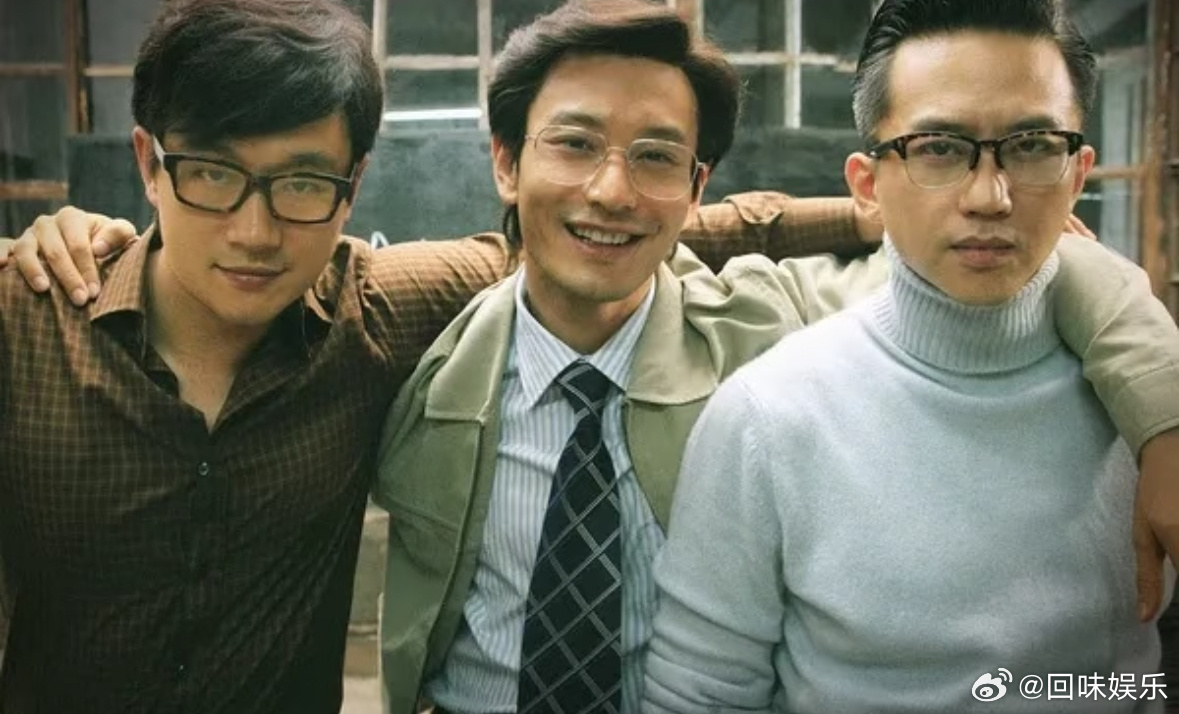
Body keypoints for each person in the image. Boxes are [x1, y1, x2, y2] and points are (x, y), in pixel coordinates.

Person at [0, 0, 869, 712]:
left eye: (303, 184)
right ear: (149, 164)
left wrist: (878, 208)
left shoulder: (376, 310)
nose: (255, 231)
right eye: (212, 175)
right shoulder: (23, 320)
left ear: (352, 187)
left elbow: (624, 229)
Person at [367, 2, 1179, 714]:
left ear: (696, 188)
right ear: (506, 162)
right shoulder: (419, 345)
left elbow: (1011, 277)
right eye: (574, 144)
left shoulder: (765, 328)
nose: (611, 191)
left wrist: (1161, 415)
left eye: (656, 156)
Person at [643, 0, 1179, 712]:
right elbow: (700, 692)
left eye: (1031, 146)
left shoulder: (1146, 409)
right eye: (939, 149)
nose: (989, 196)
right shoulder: (767, 416)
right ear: (867, 185)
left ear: (1077, 173)